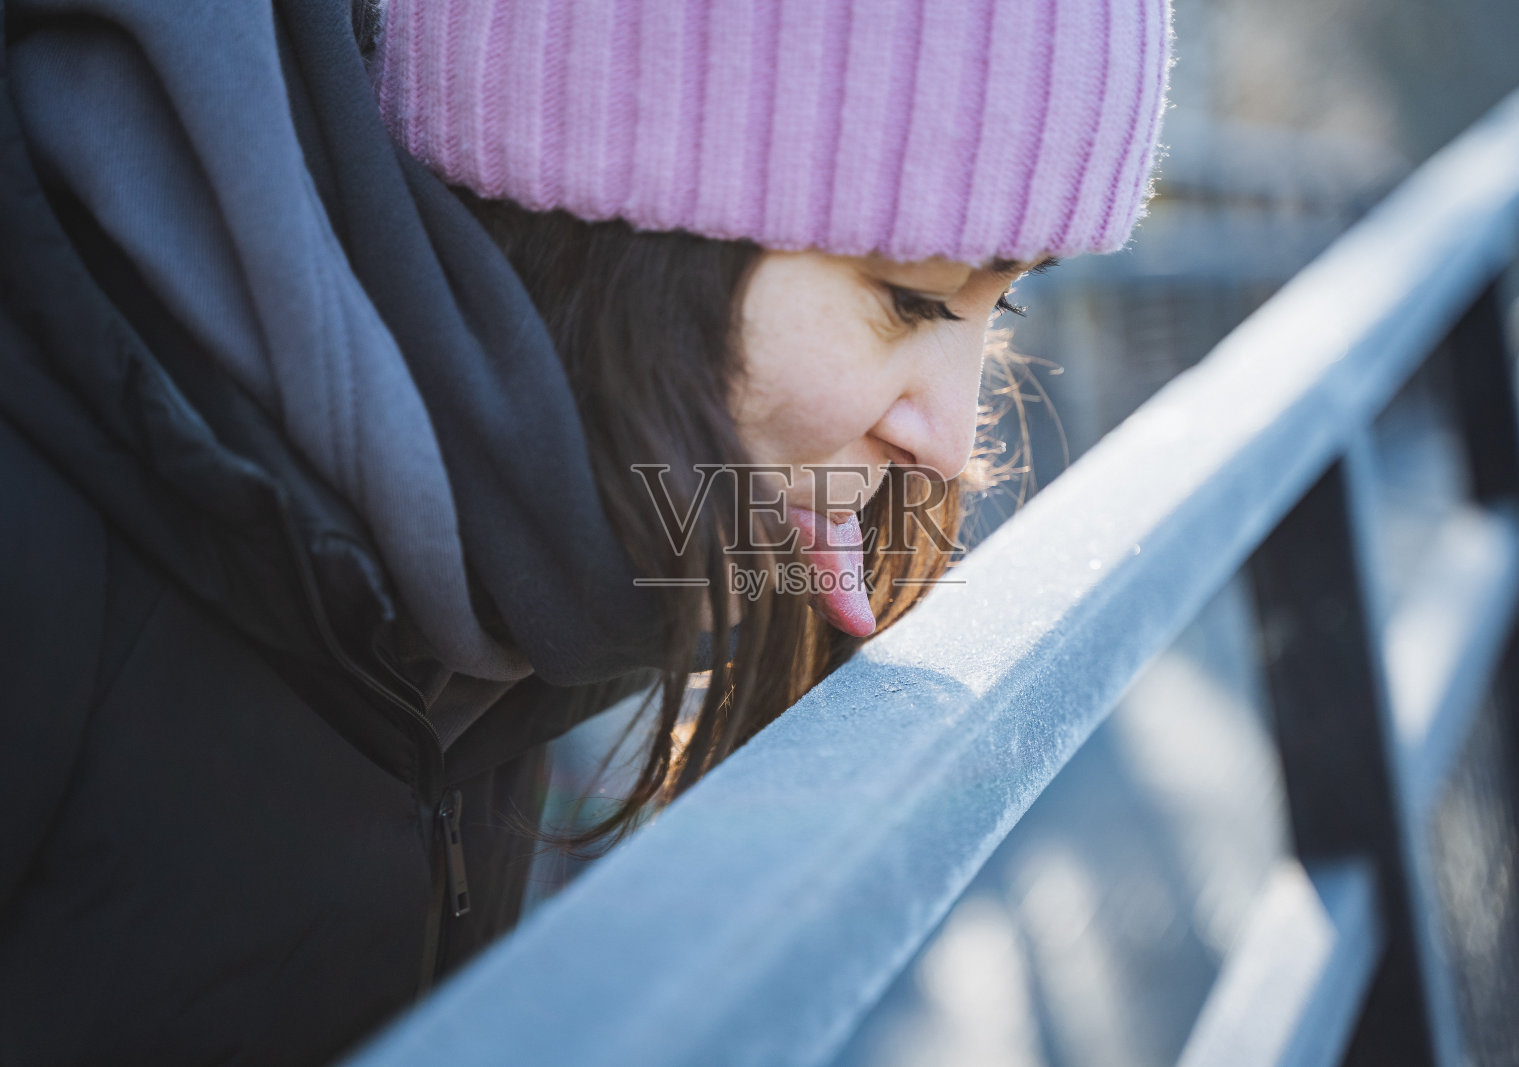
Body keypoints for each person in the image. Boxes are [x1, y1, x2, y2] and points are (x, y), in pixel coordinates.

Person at [0, 0, 1169, 1061]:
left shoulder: (508, 543)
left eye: (1002, 299)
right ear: (621, 224)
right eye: (910, 298)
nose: (952, 441)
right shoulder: (44, 537)